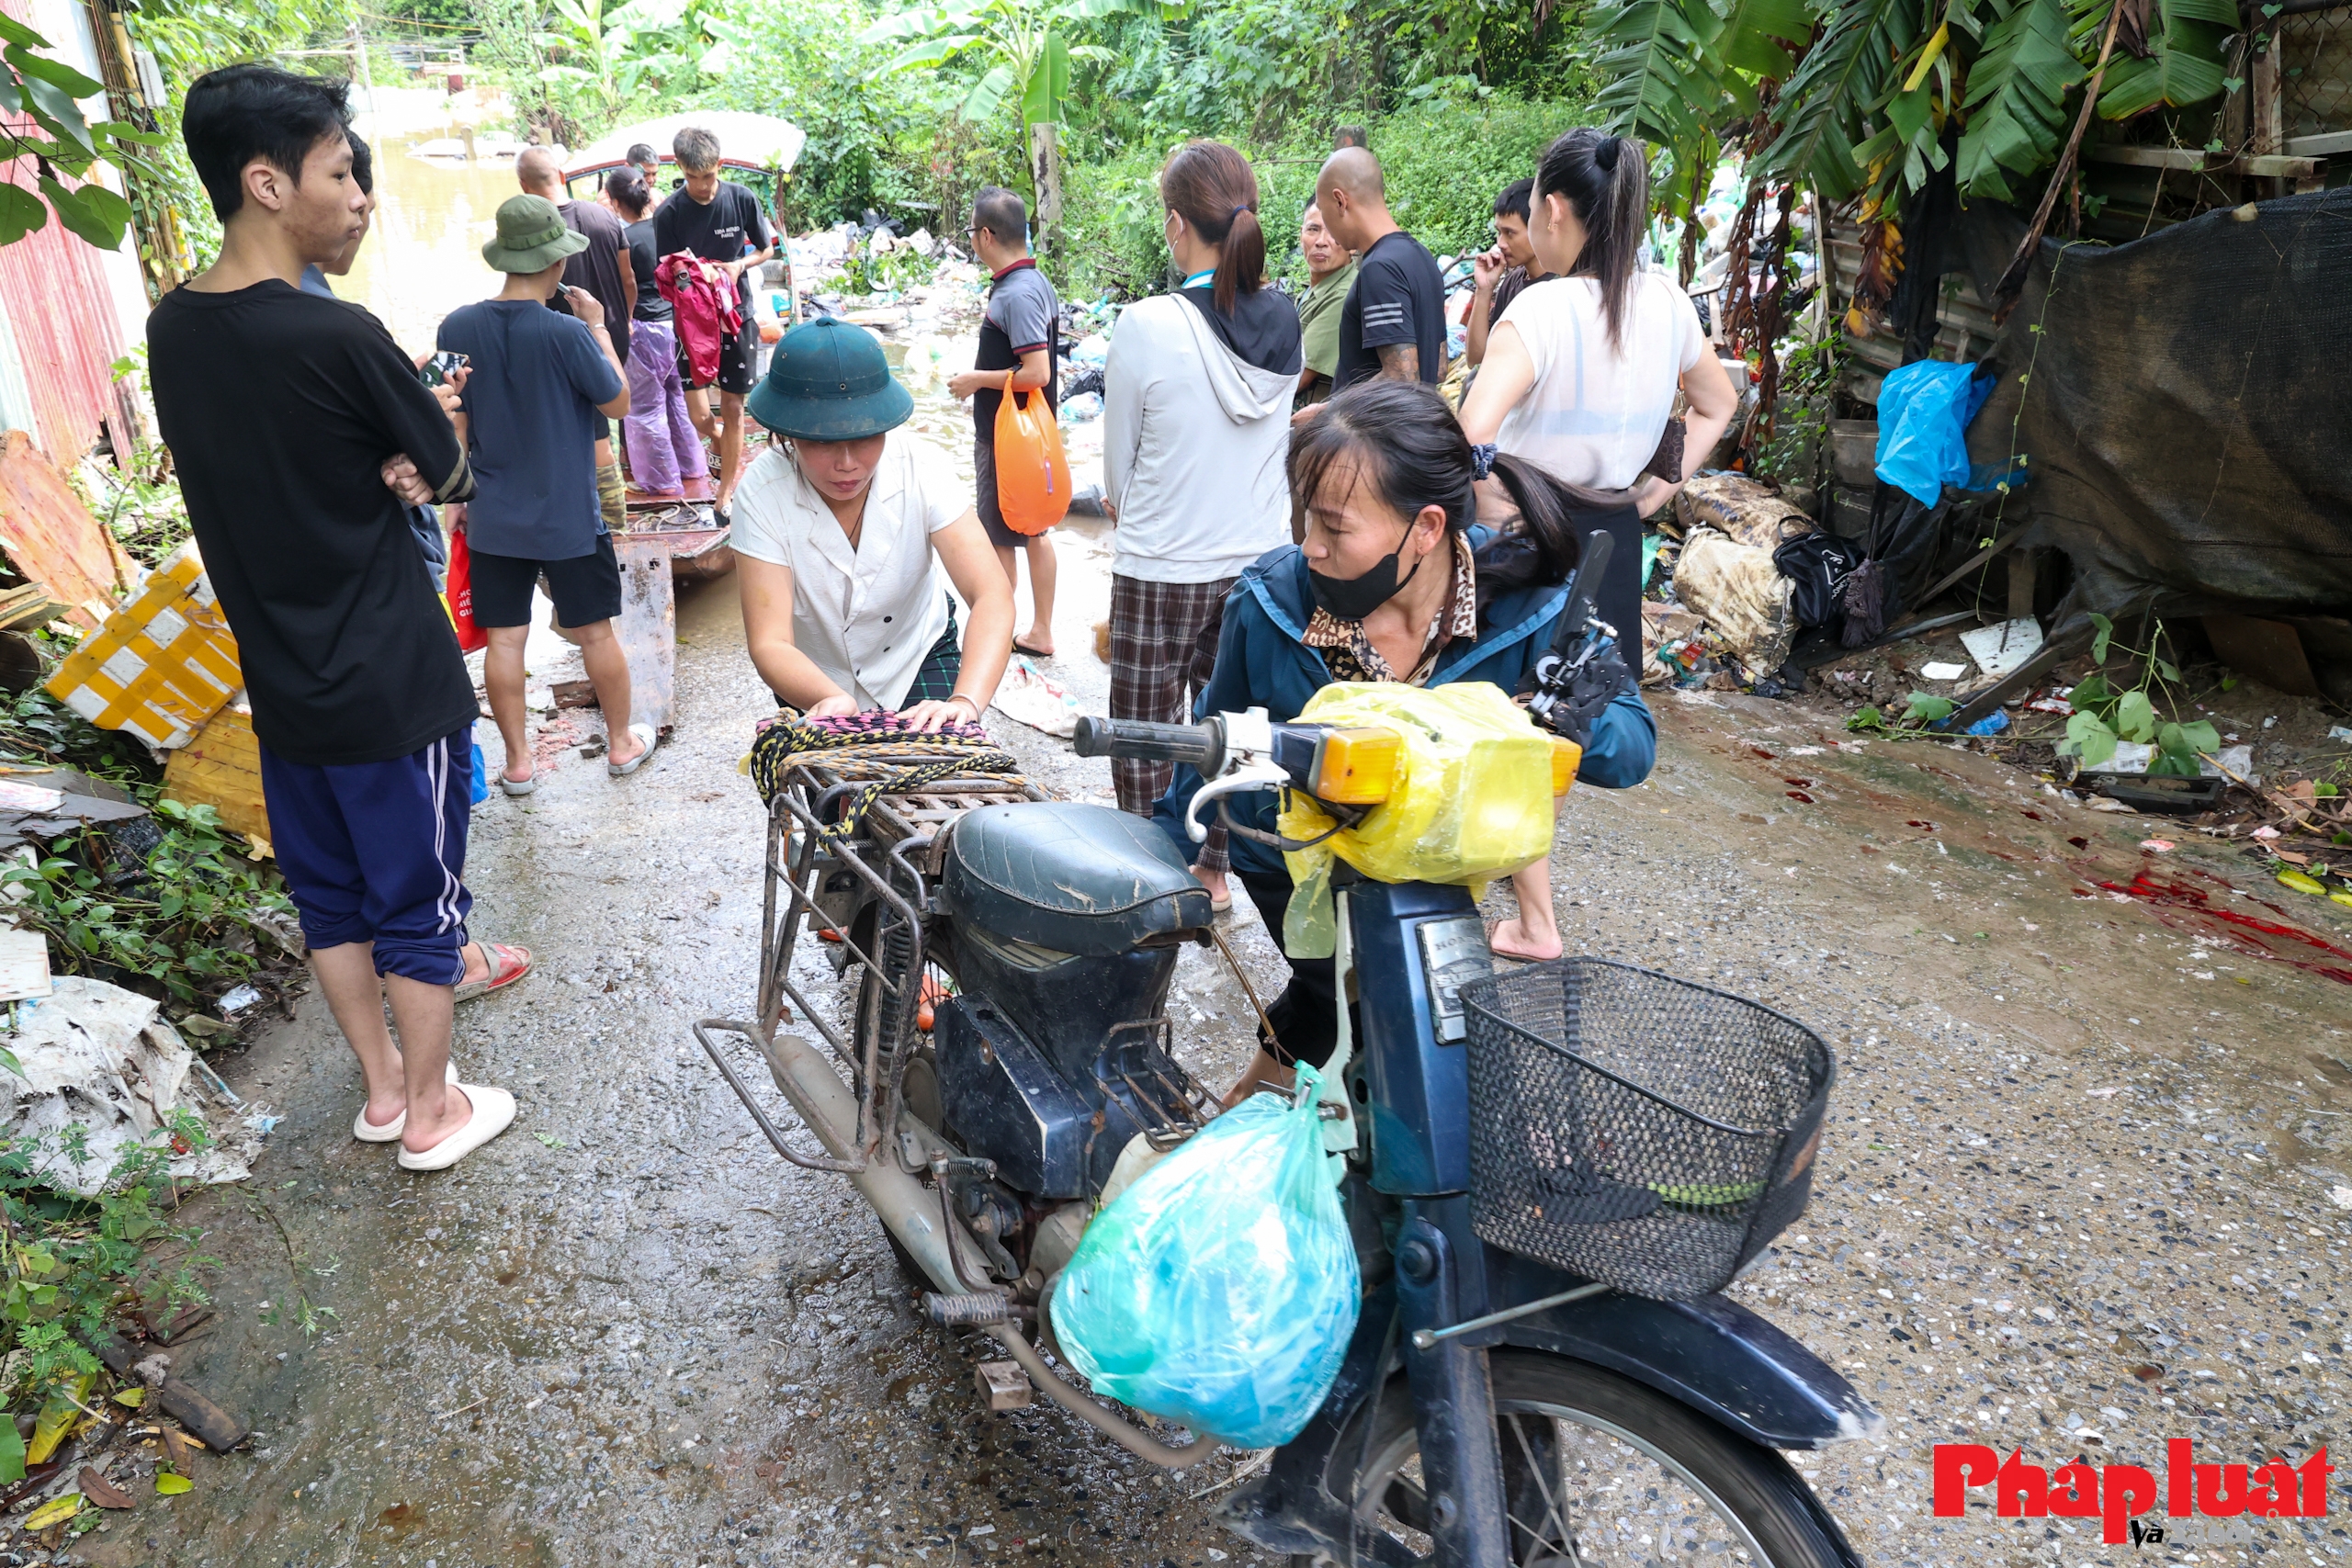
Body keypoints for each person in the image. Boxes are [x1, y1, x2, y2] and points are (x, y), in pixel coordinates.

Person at [149, 64, 520, 1172]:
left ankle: (382, 1091)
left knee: (330, 898)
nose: (361, 196)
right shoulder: (338, 334)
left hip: (285, 688)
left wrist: (396, 457)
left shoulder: (174, 330)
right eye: (342, 172)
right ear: (266, 183)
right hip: (391, 684)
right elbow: (452, 472)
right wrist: (421, 456)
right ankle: (433, 1116)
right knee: (417, 903)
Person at [1156, 379, 1656, 1100]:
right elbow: (1210, 742)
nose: (1311, 548)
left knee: (1392, 1030)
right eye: (1305, 521)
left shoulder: (1527, 606)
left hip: (1435, 871)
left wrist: (1572, 711)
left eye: (1335, 527)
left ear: (1425, 529)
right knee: (1347, 1000)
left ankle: (1255, 1119)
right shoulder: (1271, 601)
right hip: (1295, 866)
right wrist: (1153, 882)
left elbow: (1634, 747)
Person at [1459, 128, 1737, 960]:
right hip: (1614, 539)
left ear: (1550, 209)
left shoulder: (1539, 308)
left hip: (1530, 537)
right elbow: (1718, 403)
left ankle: (1526, 911)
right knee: (1565, 722)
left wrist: (1490, 504)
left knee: (1497, 714)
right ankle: (1524, 902)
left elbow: (1473, 434)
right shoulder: (1668, 304)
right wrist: (1660, 485)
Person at [1102, 141, 1302, 917]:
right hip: (1256, 565)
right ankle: (1215, 873)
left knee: (1147, 734)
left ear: (1178, 225)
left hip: (1159, 564)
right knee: (1233, 729)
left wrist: (1125, 497)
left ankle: (1151, 871)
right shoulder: (1285, 317)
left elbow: (1118, 470)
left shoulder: (1148, 323)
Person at [438, 193, 652, 797]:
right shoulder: (566, 332)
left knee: (505, 640)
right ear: (558, 266)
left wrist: (454, 488)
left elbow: (444, 410)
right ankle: (620, 744)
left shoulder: (455, 325)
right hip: (568, 518)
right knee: (596, 634)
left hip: (492, 517)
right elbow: (617, 402)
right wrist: (597, 326)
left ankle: (518, 764)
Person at [732, 317, 1013, 728]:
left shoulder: (922, 466)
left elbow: (991, 594)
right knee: (829, 787)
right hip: (812, 673)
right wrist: (831, 697)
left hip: (915, 652)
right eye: (822, 442)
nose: (847, 464)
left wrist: (966, 701)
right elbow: (771, 641)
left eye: (865, 437)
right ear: (788, 435)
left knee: (933, 769)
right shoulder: (762, 491)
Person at [946, 186, 1059, 658]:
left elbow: (1037, 372)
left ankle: (1002, 633)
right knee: (1032, 530)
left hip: (1008, 438)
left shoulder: (1015, 294)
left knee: (1001, 536)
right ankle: (1039, 631)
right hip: (1034, 435)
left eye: (972, 231)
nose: (972, 240)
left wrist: (975, 380)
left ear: (986, 235)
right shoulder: (1035, 282)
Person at [653, 125, 776, 525]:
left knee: (734, 407)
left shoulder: (741, 199)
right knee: (699, 415)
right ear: (681, 170)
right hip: (691, 323)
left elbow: (766, 248)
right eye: (693, 178)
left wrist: (739, 264)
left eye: (708, 177)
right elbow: (667, 271)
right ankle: (729, 449)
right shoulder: (668, 213)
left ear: (719, 167)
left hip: (736, 315)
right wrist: (692, 274)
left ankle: (724, 494)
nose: (703, 188)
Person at [517, 146, 633, 531]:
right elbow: (628, 279)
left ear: (523, 187)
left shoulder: (537, 234)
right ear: (562, 175)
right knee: (607, 428)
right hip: (609, 340)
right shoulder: (603, 215)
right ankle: (612, 522)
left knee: (588, 432)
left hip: (561, 352)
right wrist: (621, 322)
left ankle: (599, 518)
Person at [1308, 146, 1446, 408]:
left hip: (1377, 439)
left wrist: (1325, 411)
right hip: (1416, 428)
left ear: (1340, 201)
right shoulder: (1422, 257)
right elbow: (1438, 368)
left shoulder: (1380, 268)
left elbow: (1402, 378)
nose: (1329, 236)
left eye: (1325, 214)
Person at [610, 166, 702, 500]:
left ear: (617, 203)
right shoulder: (666, 230)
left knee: (645, 409)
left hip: (646, 329)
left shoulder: (626, 239)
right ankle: (692, 466)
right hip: (675, 327)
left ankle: (660, 481)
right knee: (678, 400)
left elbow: (627, 283)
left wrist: (627, 318)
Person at [1464, 178, 1554, 367]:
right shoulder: (1513, 281)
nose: (1501, 243)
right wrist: (1484, 289)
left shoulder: (1560, 287)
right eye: (1499, 232)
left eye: (1510, 233)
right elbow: (1477, 360)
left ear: (1538, 226)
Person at [1292, 198, 1356, 414]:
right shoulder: (1314, 290)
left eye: (1332, 231)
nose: (1321, 241)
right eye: (1313, 229)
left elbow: (1298, 377)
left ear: (1352, 243)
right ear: (1301, 235)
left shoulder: (1343, 295)